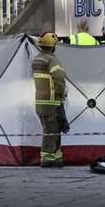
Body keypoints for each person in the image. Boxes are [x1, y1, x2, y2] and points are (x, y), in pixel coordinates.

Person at [32, 33, 67, 167]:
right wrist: (60, 94)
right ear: (53, 46)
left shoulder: (37, 59)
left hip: (40, 102)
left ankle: (56, 157)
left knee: (50, 129)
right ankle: (48, 159)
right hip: (51, 102)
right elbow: (59, 77)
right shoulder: (51, 60)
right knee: (51, 131)